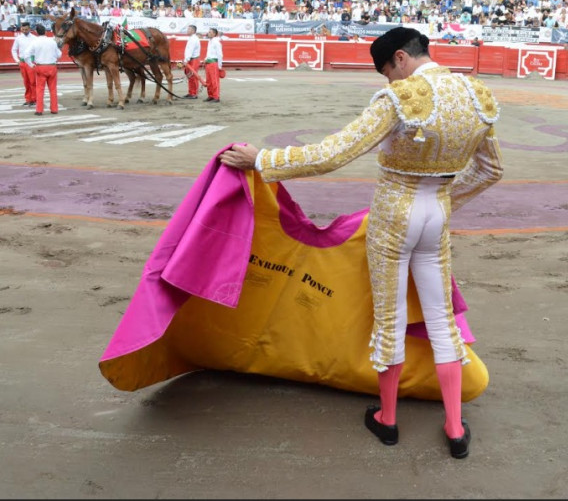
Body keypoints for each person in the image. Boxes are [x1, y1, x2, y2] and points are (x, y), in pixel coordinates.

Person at [219, 27, 504, 459]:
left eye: (388, 73)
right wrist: (442, 199)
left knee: (389, 317)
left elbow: (334, 153)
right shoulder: (476, 95)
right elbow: (491, 171)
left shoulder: (402, 97)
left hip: (394, 215)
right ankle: (454, 427)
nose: (391, 82)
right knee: (440, 318)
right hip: (437, 215)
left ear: (400, 60)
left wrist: (263, 159)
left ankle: (388, 421)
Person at [28, 23, 62, 115]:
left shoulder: (35, 42)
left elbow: (26, 55)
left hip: (40, 67)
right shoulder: (52, 41)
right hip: (52, 66)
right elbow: (59, 54)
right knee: (53, 89)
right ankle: (54, 109)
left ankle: (39, 110)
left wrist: (31, 65)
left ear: (36, 32)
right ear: (45, 32)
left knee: (40, 89)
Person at [11, 21, 36, 107]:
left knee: (32, 81)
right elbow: (14, 50)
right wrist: (17, 60)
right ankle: (28, 99)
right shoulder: (18, 38)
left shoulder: (34, 38)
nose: (24, 31)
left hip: (31, 62)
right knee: (26, 82)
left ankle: (34, 99)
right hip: (22, 62)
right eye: (23, 29)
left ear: (29, 29)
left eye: (26, 29)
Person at [201, 27, 223, 103]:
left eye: (210, 32)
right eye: (208, 32)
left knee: (214, 81)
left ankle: (216, 97)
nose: (208, 33)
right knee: (209, 81)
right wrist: (205, 59)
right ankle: (210, 96)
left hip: (213, 63)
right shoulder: (210, 41)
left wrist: (219, 66)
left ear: (214, 34)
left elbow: (220, 55)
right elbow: (209, 53)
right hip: (208, 63)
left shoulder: (216, 42)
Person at [180, 25, 202, 99]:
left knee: (193, 76)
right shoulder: (192, 38)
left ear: (193, 31)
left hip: (193, 60)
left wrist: (186, 60)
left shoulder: (193, 39)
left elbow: (190, 50)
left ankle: (194, 93)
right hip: (192, 59)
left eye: (189, 29)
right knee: (190, 76)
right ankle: (191, 92)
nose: (187, 30)